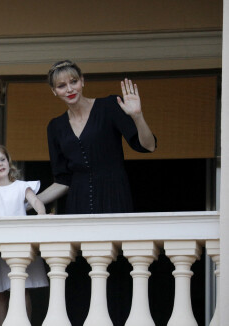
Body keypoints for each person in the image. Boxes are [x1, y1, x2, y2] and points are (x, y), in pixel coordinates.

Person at [38, 60, 157, 325]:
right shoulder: (55, 127)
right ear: (54, 91)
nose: (69, 88)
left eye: (73, 81)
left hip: (114, 194)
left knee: (117, 268)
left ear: (82, 81)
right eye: (61, 85)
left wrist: (137, 115)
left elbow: (147, 146)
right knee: (81, 272)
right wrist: (26, 200)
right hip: (77, 202)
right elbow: (62, 180)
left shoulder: (108, 107)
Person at [0, 144, 49, 326]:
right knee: (1, 292)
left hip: (19, 242)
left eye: (2, 159)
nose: (0, 164)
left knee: (22, 289)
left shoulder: (21, 187)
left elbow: (36, 201)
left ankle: (25, 322)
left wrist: (42, 216)